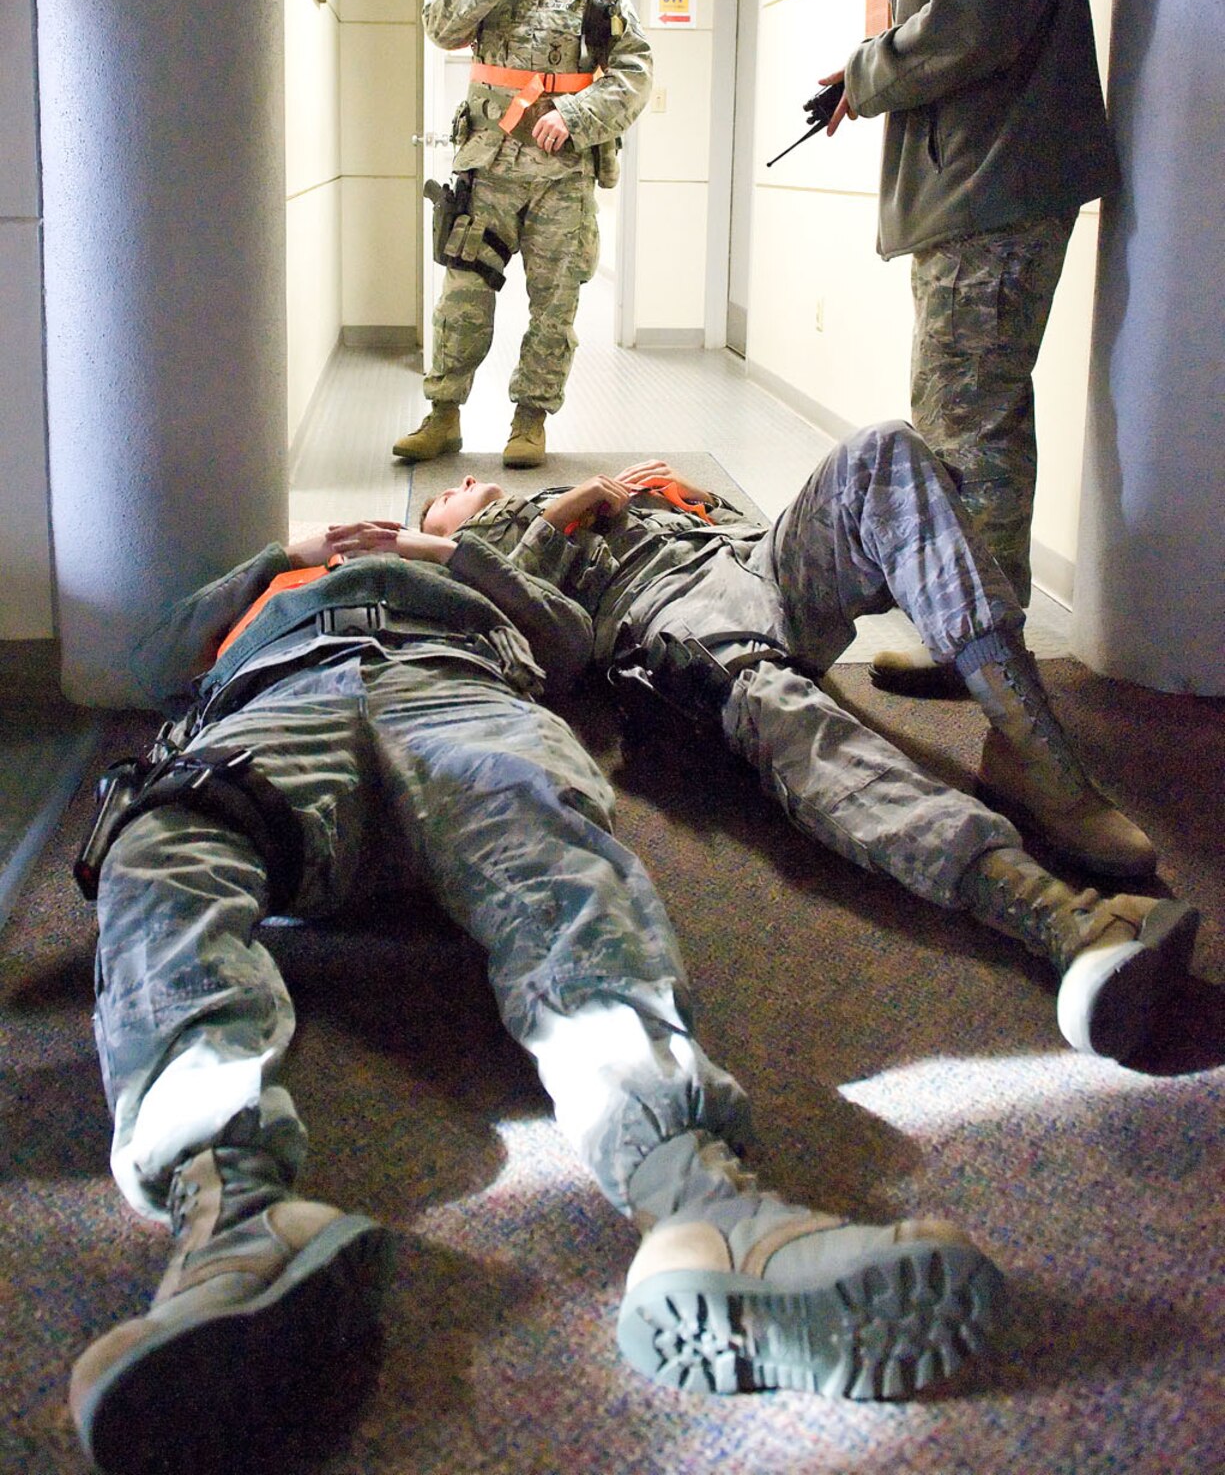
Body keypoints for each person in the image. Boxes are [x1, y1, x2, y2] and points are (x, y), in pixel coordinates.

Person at [68, 508, 1004, 1475]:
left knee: (556, 865)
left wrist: (455, 558)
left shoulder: (471, 575)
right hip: (276, 707)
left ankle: (707, 1212)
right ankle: (232, 1218)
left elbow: (567, 645)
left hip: (461, 698)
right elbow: (146, 666)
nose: (376, 531)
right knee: (162, 845)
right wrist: (283, 558)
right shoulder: (268, 587)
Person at [420, 422, 1199, 1066]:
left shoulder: (595, 489)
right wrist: (562, 517)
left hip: (754, 560)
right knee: (787, 719)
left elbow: (732, 521)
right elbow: (557, 653)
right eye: (439, 505)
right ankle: (1065, 923)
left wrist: (649, 498)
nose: (454, 488)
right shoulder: (481, 565)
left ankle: (1034, 752)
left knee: (884, 450)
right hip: (678, 620)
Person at [817, 0, 1119, 696]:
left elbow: (967, 27)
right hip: (976, 189)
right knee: (961, 417)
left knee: (973, 426)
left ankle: (982, 651)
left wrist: (866, 68)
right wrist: (867, 73)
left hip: (995, 193)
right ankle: (970, 633)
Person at [393, 0, 652, 473]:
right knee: (461, 299)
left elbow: (635, 69)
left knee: (554, 306)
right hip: (487, 171)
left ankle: (530, 420)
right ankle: (444, 415)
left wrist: (578, 115)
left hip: (561, 177)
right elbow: (439, 26)